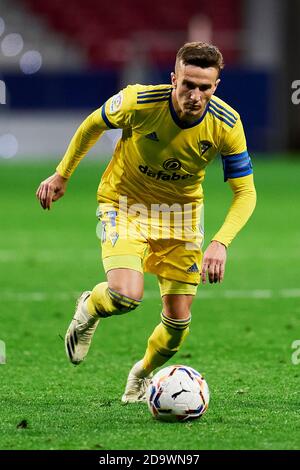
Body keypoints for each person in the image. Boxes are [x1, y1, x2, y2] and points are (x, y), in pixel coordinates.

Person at [36, 42, 256, 403]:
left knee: (177, 326)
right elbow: (93, 124)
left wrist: (220, 242)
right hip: (124, 205)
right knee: (125, 294)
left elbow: (245, 193)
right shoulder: (139, 102)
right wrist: (62, 175)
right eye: (188, 84)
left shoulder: (227, 124)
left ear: (216, 86)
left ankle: (141, 374)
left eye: (205, 87)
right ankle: (90, 307)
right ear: (174, 79)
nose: (195, 95)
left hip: (181, 219)